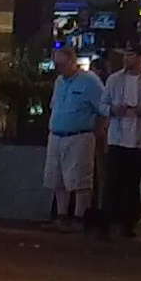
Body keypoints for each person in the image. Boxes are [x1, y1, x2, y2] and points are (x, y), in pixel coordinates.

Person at [99, 47, 141, 240]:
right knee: (112, 182)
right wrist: (113, 110)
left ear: (140, 58)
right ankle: (108, 222)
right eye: (126, 55)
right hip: (118, 138)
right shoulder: (114, 80)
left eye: (131, 55)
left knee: (133, 184)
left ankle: (128, 223)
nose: (127, 58)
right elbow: (102, 105)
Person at [42, 47, 104, 227]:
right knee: (58, 178)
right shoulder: (60, 81)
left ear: (72, 61)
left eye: (61, 64)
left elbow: (103, 109)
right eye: (56, 65)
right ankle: (61, 216)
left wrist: (99, 133)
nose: (59, 68)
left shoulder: (90, 81)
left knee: (80, 179)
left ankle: (79, 217)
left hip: (79, 135)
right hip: (57, 135)